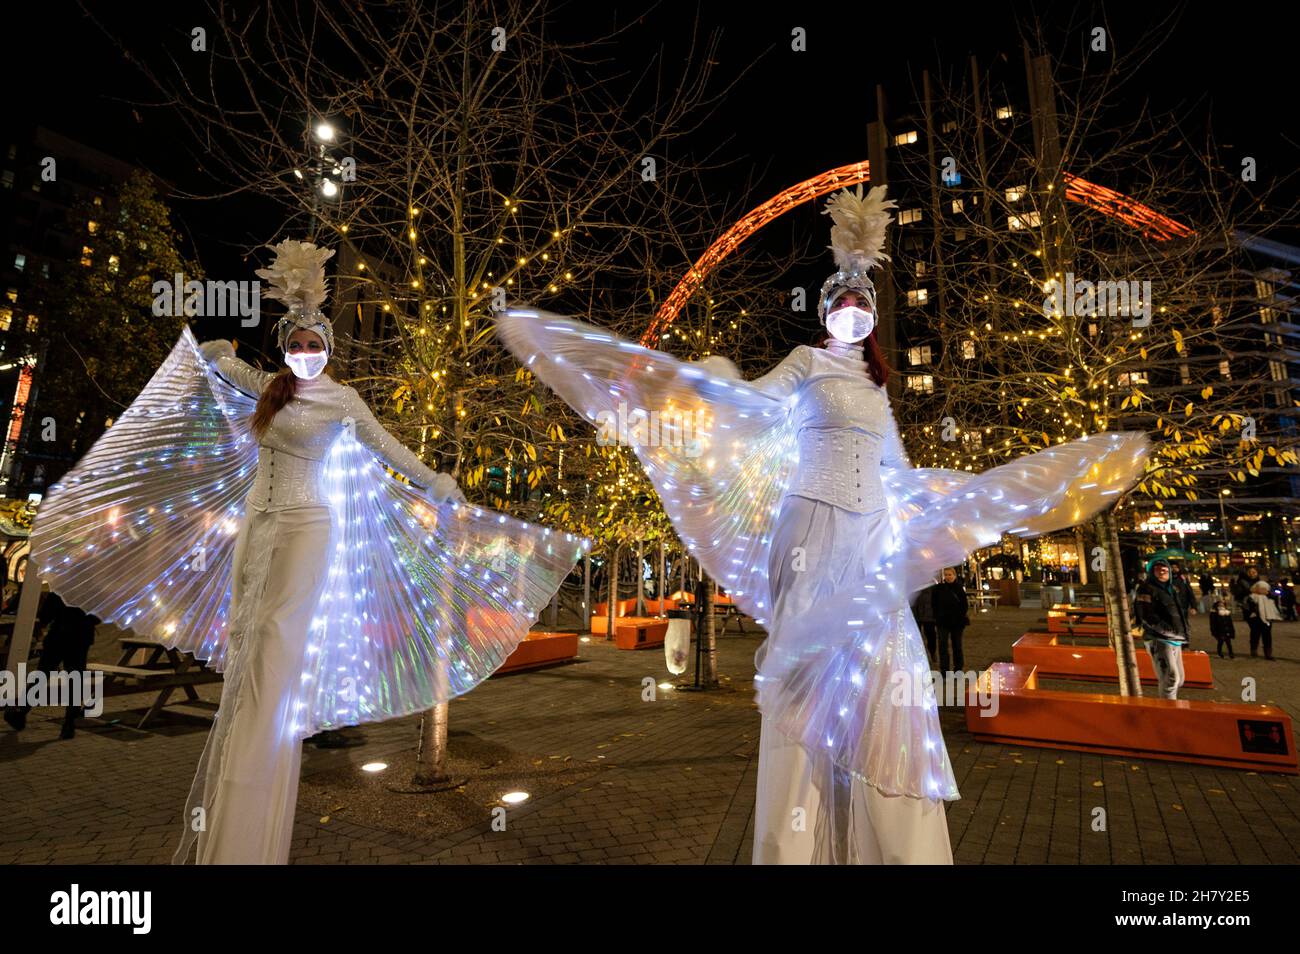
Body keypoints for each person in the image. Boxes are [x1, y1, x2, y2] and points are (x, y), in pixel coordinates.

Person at [497, 185, 1151, 864]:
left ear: (870, 317)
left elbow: (896, 471)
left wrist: (965, 498)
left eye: (861, 305)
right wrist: (709, 379)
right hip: (810, 532)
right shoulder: (806, 364)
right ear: (825, 312)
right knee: (807, 674)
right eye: (841, 303)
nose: (851, 313)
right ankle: (795, 848)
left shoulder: (877, 390)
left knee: (883, 673)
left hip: (870, 538)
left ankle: (891, 849)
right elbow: (749, 405)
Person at [28, 240, 585, 864]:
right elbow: (216, 363)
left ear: (329, 350)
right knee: (247, 636)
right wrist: (207, 344)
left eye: (315, 345)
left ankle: (262, 746)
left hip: (305, 526)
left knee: (273, 636)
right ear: (286, 349)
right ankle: (247, 742)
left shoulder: (343, 402)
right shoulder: (268, 388)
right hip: (256, 525)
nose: (305, 354)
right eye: (296, 344)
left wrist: (436, 482)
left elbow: (388, 448)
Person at [1, 590, 100, 738]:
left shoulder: (63, 587)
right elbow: (98, 617)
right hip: (80, 639)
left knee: (42, 675)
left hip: (58, 637)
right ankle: (69, 724)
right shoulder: (95, 592)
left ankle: (21, 710)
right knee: (75, 680)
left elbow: (45, 615)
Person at [1133, 559, 1190, 700]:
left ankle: (1170, 702)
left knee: (1179, 679)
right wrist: (1169, 631)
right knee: (1170, 678)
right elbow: (1147, 616)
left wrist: (1183, 632)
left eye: (1165, 569)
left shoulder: (1171, 589)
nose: (1162, 572)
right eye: (1157, 569)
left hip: (1176, 639)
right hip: (1159, 638)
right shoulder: (1146, 589)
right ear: (1151, 572)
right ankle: (1169, 712)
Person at [931, 567, 969, 674]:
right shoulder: (938, 589)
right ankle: (944, 670)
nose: (948, 577)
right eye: (946, 575)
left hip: (957, 622)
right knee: (942, 646)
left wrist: (958, 616)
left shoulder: (959, 588)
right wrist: (937, 616)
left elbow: (964, 605)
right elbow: (934, 604)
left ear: (954, 575)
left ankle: (958, 668)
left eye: (950, 574)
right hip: (942, 622)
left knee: (957, 645)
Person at [1245, 580, 1281, 660]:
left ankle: (1268, 653)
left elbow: (1274, 606)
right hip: (1256, 620)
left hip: (1267, 619)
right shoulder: (1252, 597)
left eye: (1265, 588)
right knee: (1255, 635)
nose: (1264, 590)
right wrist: (1252, 615)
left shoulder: (1269, 597)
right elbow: (1249, 609)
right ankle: (1254, 651)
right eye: (1262, 588)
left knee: (1267, 636)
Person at [911, 577, 939, 664]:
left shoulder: (932, 582)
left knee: (931, 636)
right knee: (916, 637)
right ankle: (917, 656)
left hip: (929, 614)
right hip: (915, 614)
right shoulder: (911, 582)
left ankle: (932, 652)